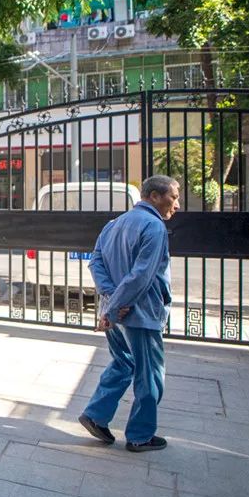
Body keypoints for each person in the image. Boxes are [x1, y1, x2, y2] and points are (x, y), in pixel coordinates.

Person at [78, 175, 180, 453]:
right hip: (139, 314)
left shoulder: (113, 224)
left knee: (123, 363)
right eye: (173, 197)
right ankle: (140, 435)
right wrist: (116, 305)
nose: (177, 204)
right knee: (150, 374)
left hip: (115, 312)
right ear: (155, 196)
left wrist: (111, 300)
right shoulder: (154, 226)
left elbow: (96, 263)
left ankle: (96, 414)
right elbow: (141, 276)